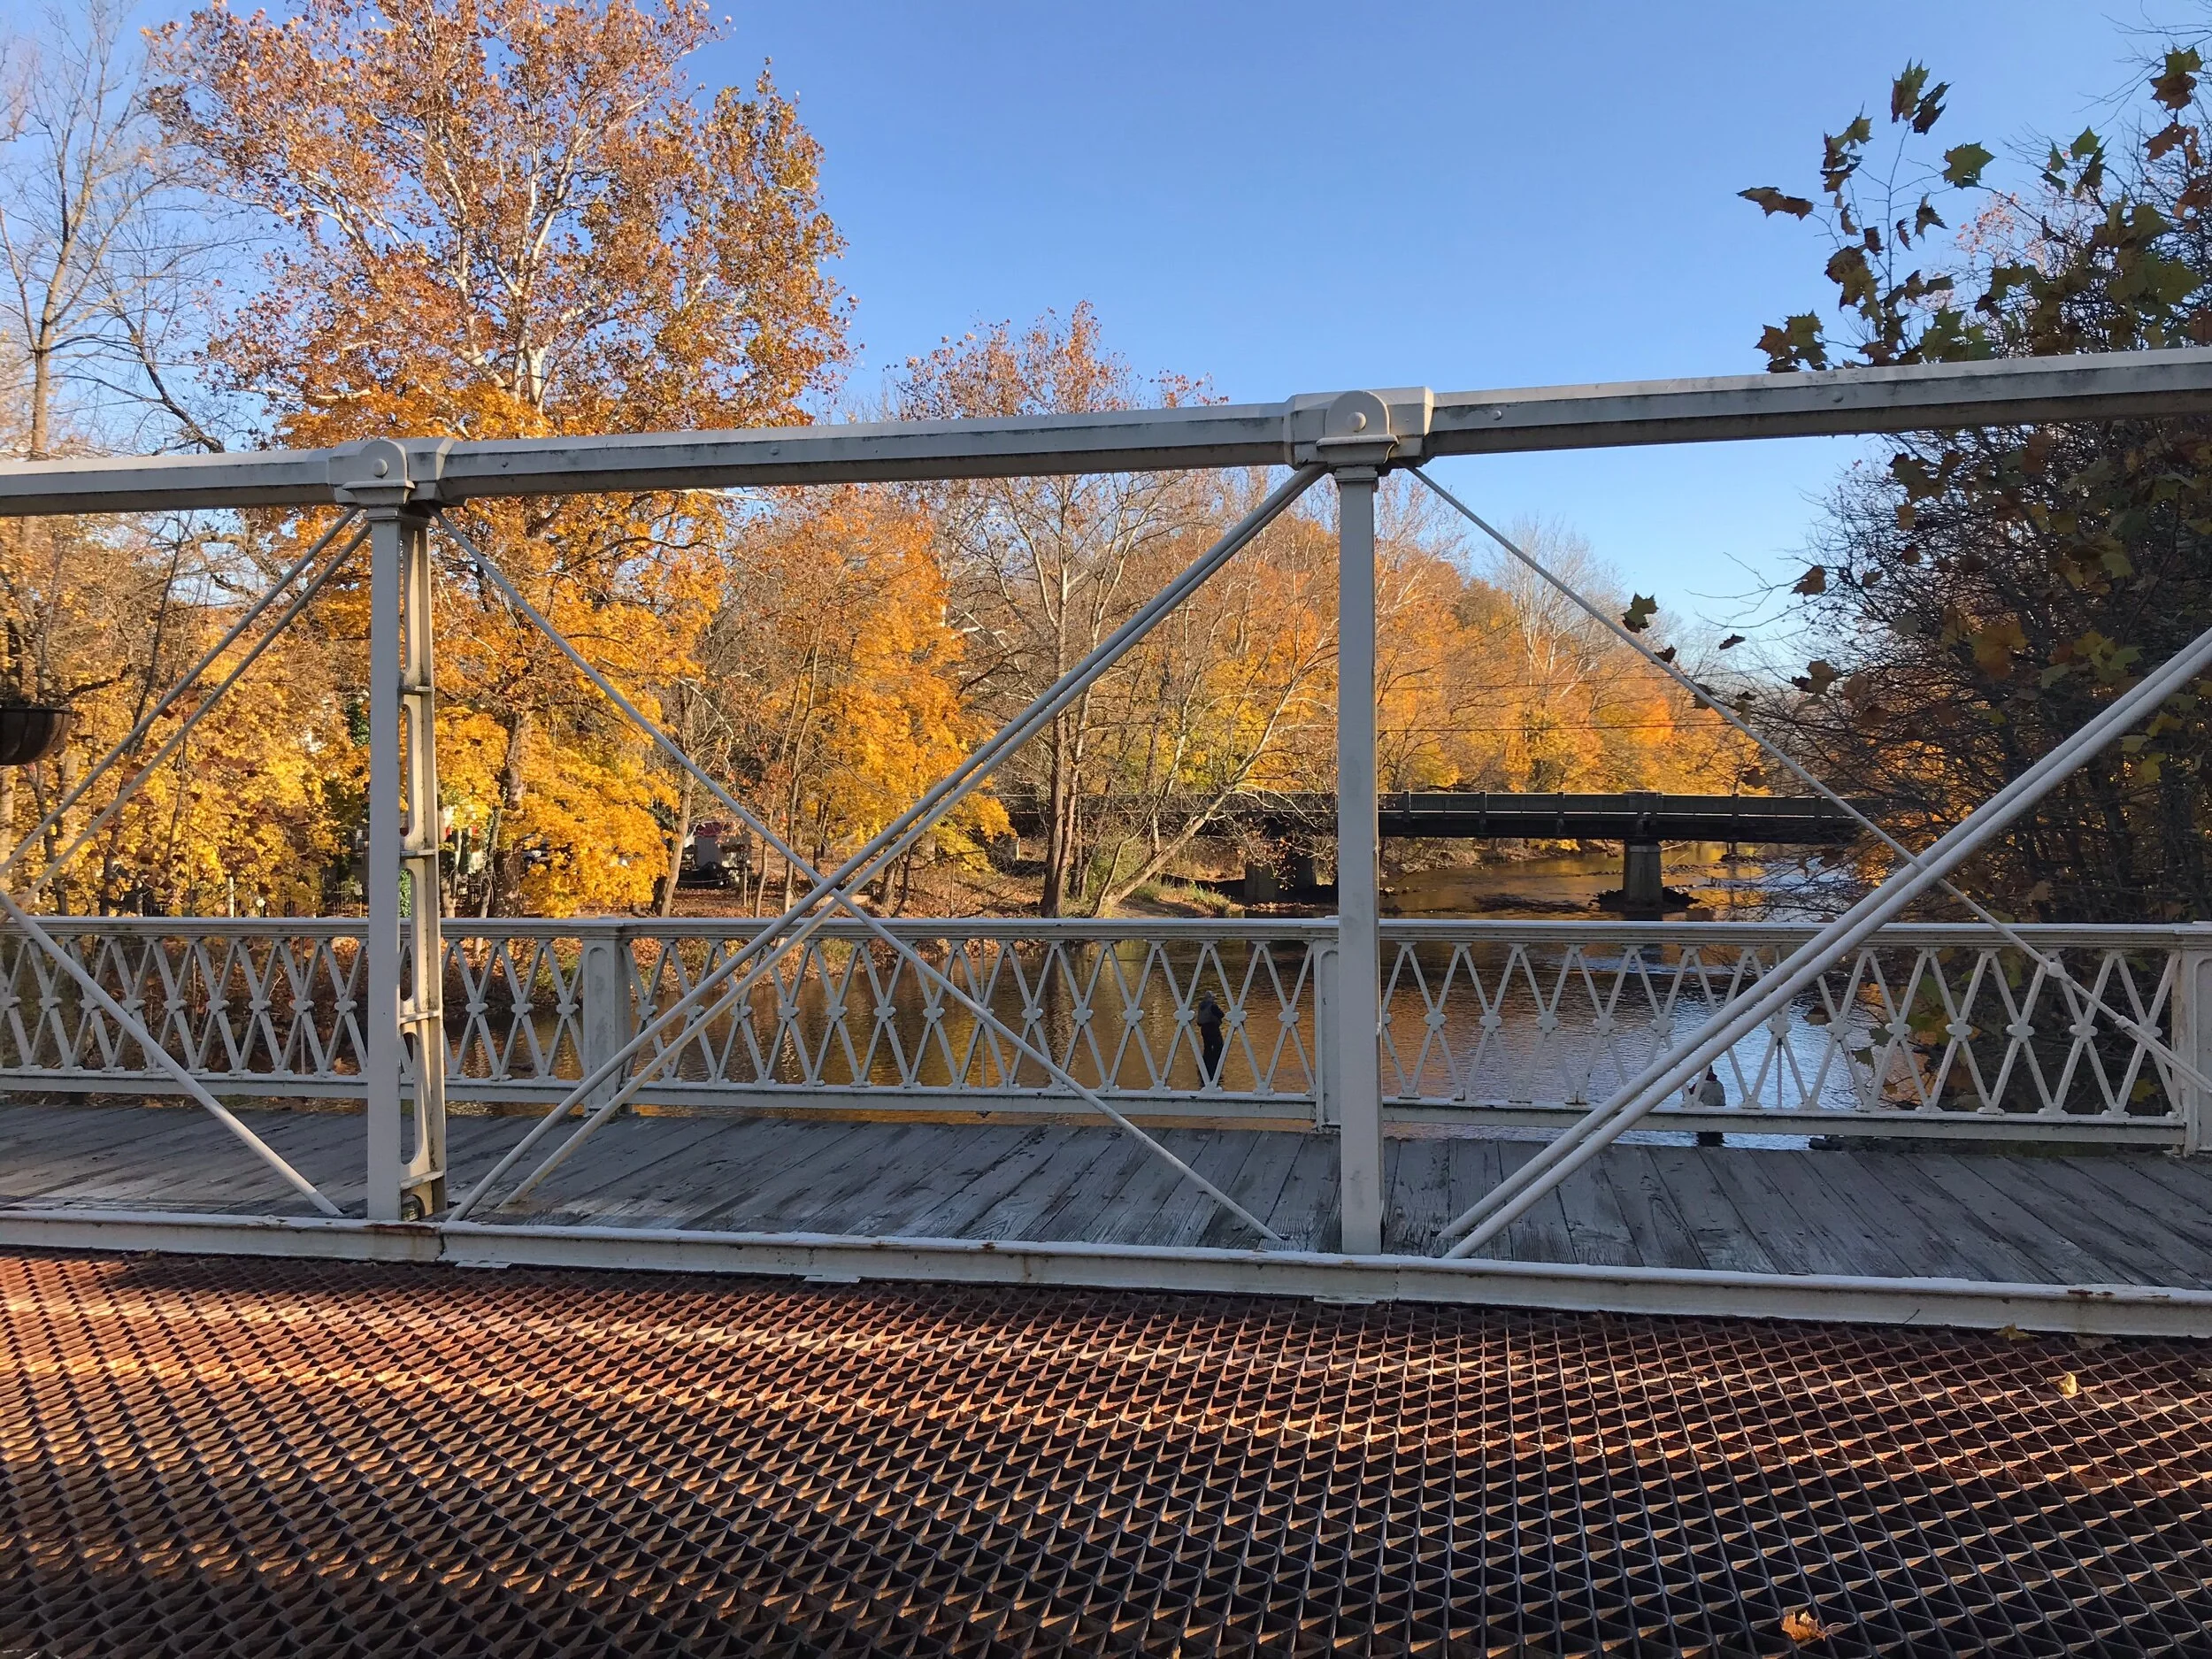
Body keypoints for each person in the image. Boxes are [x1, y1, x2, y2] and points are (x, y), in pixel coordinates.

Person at [1194, 993, 1225, 1088]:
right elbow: (1221, 1014)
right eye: (1213, 997)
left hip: (1204, 1028)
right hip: (1212, 1027)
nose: (1214, 999)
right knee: (1219, 1045)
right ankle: (1216, 1063)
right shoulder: (1213, 1006)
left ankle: (1206, 1062)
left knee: (1207, 1046)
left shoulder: (1201, 1006)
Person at [1694, 1065, 1727, 1147]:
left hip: (1704, 1115)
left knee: (1703, 1140)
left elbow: (1691, 1095)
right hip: (1718, 1115)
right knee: (1717, 1139)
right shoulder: (1719, 1084)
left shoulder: (1701, 1085)